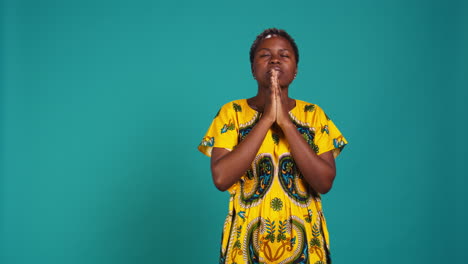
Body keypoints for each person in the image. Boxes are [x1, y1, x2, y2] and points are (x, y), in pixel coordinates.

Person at [198, 28, 347, 264]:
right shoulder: (231, 114)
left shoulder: (314, 115)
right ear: (252, 69)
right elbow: (221, 178)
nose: (275, 60)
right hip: (245, 245)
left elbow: (324, 182)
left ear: (296, 70)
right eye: (265, 55)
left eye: (284, 55)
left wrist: (286, 123)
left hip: (305, 244)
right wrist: (267, 119)